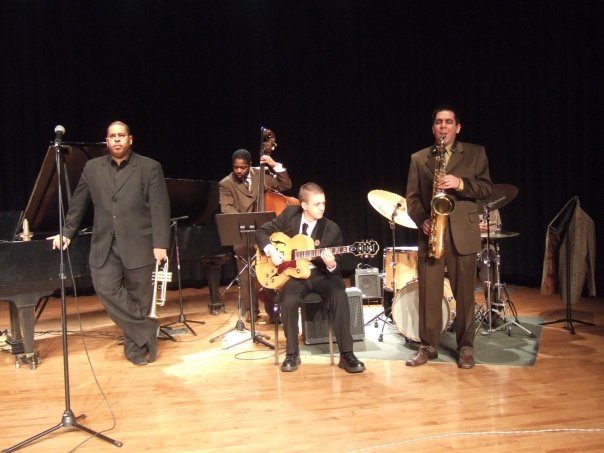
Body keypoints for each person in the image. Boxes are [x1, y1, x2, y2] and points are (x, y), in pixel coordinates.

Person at [49, 121, 171, 366]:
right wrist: (67, 232)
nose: (117, 139)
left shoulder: (149, 167)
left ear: (130, 139)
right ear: (106, 141)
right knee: (105, 288)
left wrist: (160, 243)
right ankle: (148, 329)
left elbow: (160, 208)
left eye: (121, 135)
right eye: (112, 136)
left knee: (140, 298)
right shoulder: (92, 168)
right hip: (104, 244)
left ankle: (135, 350)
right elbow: (78, 203)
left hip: (140, 243)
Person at [405, 105, 493, 369]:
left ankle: (465, 348)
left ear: (458, 127)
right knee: (429, 295)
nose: (443, 126)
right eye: (439, 122)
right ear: (433, 128)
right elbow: (412, 199)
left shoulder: (475, 153)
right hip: (433, 234)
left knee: (465, 296)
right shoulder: (419, 158)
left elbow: (486, 189)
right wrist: (423, 220)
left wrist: (460, 183)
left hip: (462, 235)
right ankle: (428, 346)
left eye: (449, 122)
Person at [255, 182, 365, 373]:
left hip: (322, 275)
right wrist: (271, 251)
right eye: (317, 204)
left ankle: (347, 354)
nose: (322, 208)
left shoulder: (331, 228)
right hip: (294, 275)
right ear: (304, 205)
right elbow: (261, 232)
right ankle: (292, 354)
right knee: (288, 300)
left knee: (339, 293)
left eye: (323, 203)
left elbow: (337, 265)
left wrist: (331, 264)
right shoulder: (290, 215)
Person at [219, 148, 292, 322]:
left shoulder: (261, 175)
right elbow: (227, 209)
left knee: (269, 272)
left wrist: (274, 165)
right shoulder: (226, 184)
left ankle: (274, 310)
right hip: (243, 235)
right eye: (236, 167)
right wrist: (249, 218)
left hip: (265, 236)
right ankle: (251, 310)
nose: (239, 170)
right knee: (246, 277)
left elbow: (285, 185)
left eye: (243, 167)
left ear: (250, 165)